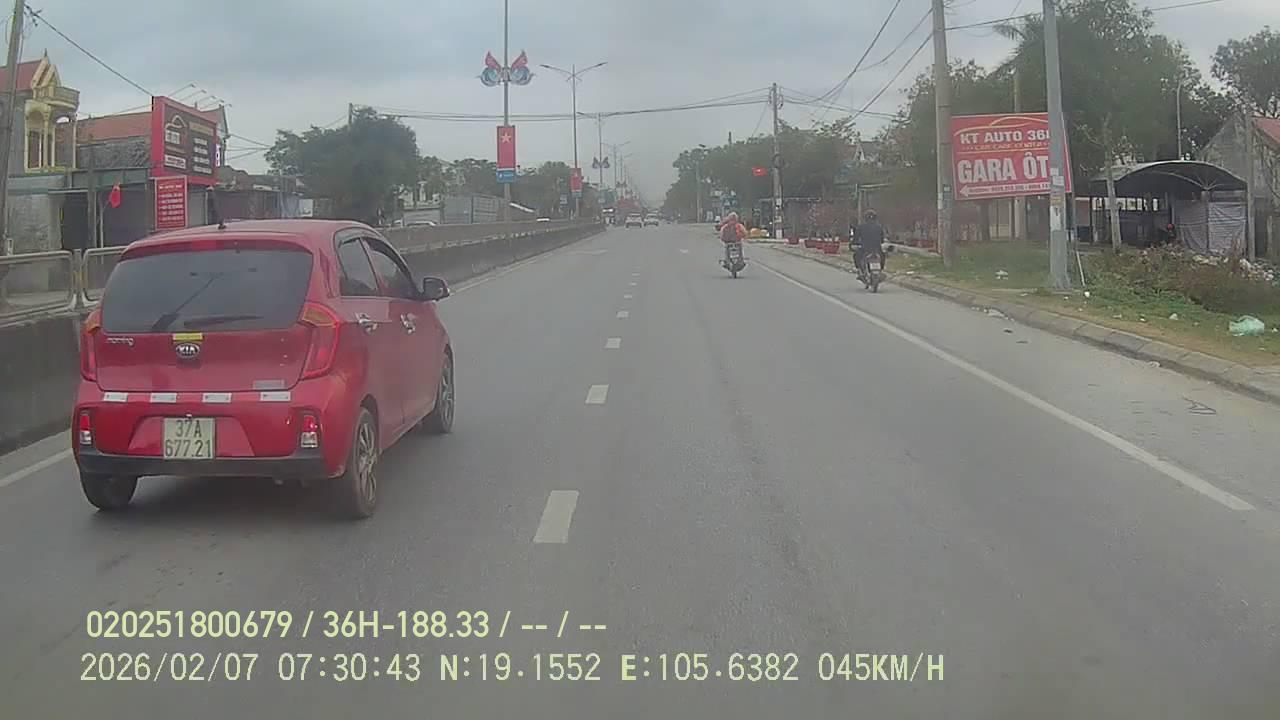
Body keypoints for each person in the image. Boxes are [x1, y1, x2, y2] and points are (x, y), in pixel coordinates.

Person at [852, 209, 885, 277]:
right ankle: (881, 270)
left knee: (856, 255)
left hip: (865, 249)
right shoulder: (879, 227)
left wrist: (854, 244)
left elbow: (856, 238)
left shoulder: (861, 227)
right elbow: (882, 240)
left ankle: (859, 269)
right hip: (877, 249)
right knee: (882, 256)